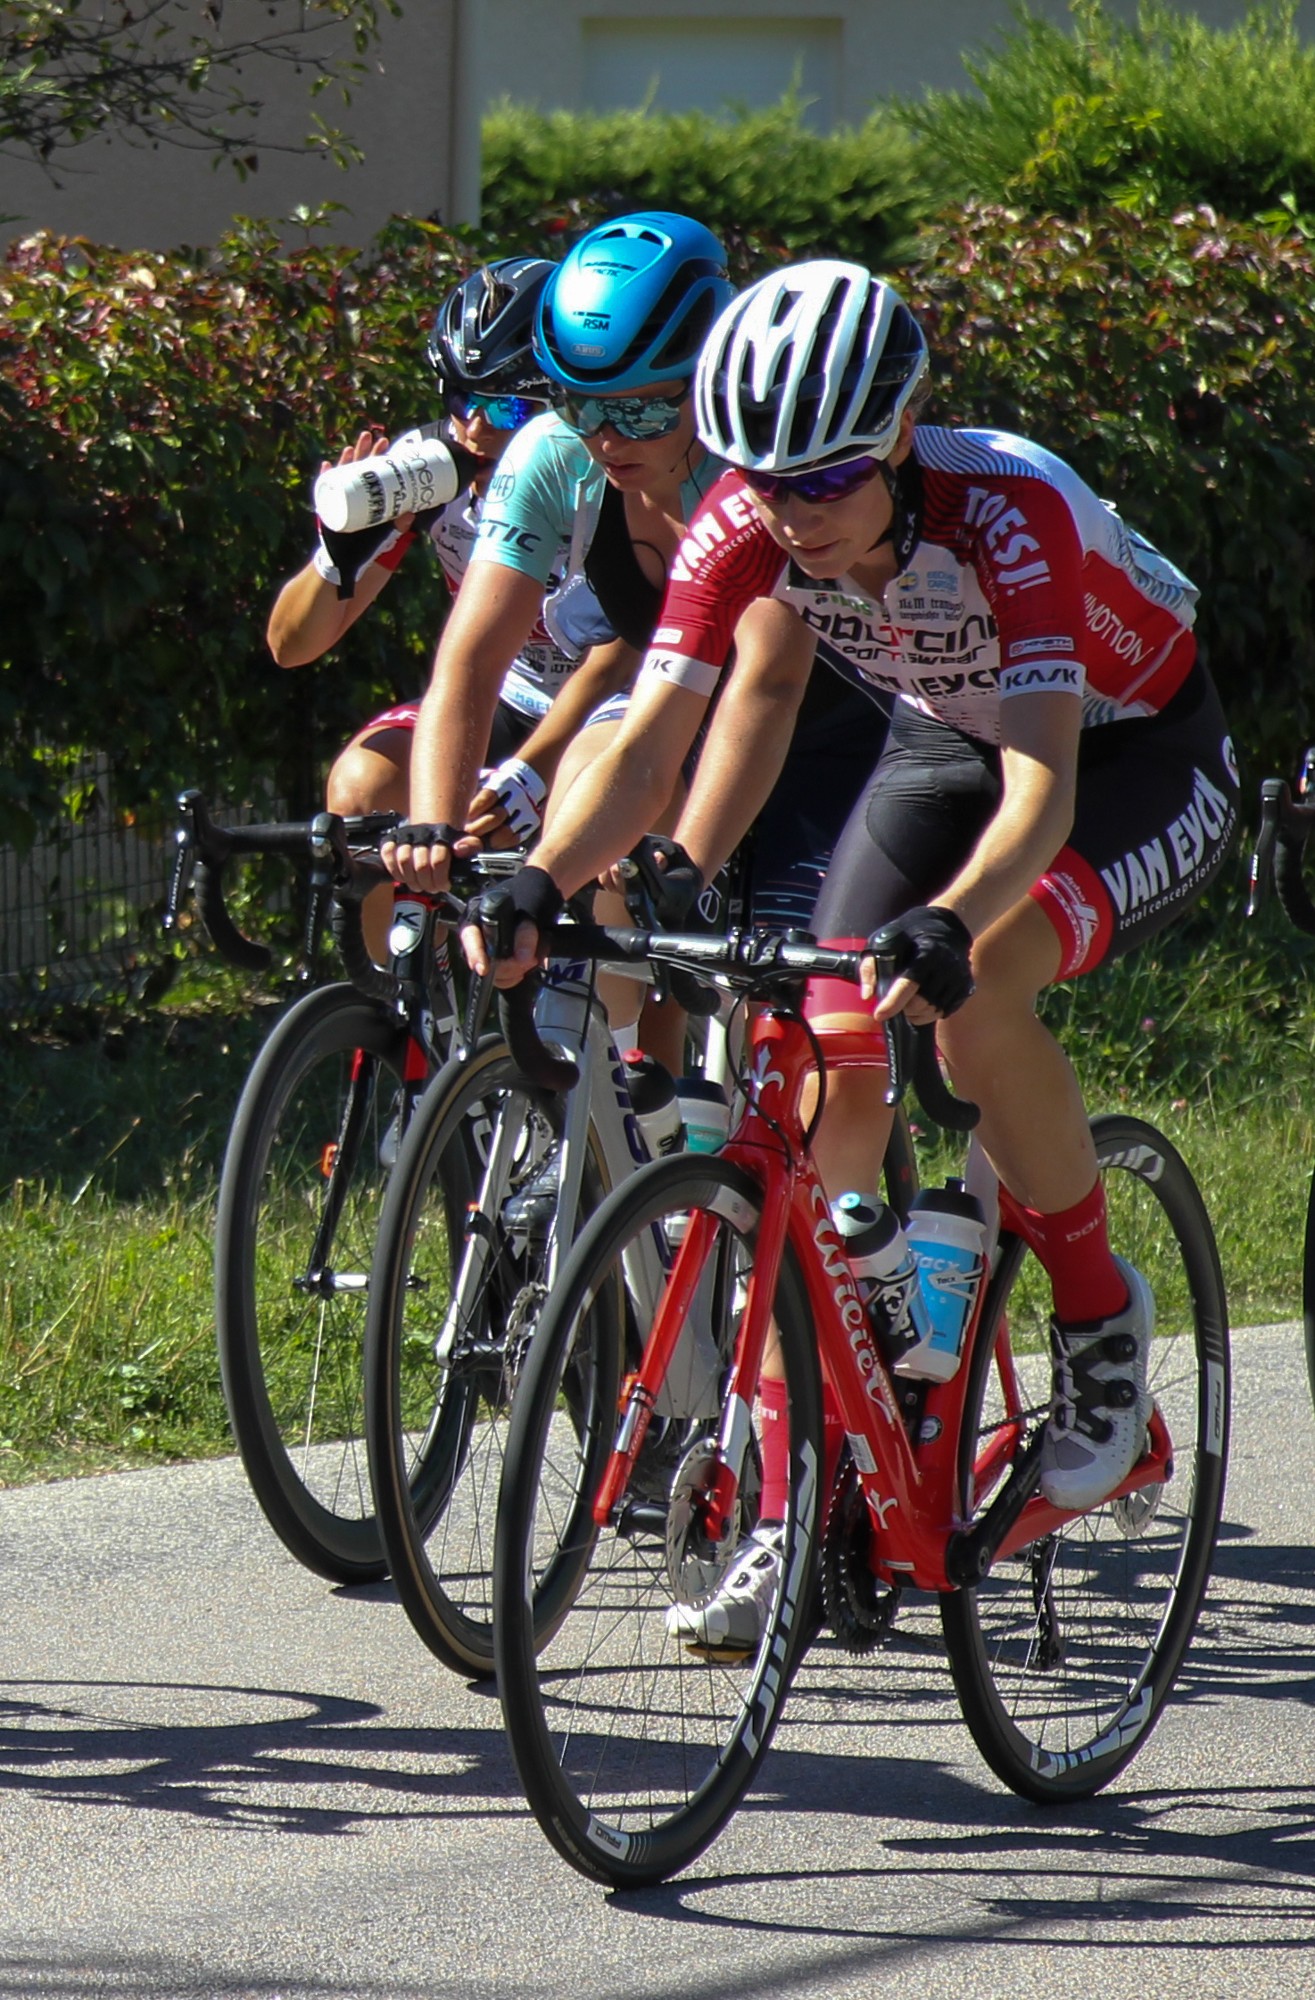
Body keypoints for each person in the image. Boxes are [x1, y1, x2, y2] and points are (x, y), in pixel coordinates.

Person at [466, 257, 1240, 1646]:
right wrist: (542, 876)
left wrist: (950, 923)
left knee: (971, 996)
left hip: (1128, 755)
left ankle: (1099, 1343)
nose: (788, 516)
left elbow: (1042, 795)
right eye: (762, 484)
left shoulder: (1009, 507)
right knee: (811, 1046)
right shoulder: (745, 520)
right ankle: (799, 1482)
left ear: (894, 440)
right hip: (940, 740)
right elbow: (647, 740)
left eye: (823, 483)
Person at [380, 210, 741, 1065]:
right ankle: (611, 1100)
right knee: (594, 797)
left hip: (792, 711)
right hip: (668, 708)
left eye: (642, 413)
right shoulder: (551, 450)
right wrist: (433, 827)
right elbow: (469, 661)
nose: (607, 439)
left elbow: (765, 689)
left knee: (823, 1074)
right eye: (581, 403)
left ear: (700, 382)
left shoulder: (744, 466)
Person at [266, 255, 631, 957]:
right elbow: (292, 646)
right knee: (363, 783)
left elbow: (634, 644)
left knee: (597, 810)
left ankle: (627, 1049)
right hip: (514, 694)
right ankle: (406, 1018)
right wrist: (335, 558)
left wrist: (540, 766)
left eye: (504, 407)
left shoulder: (607, 468)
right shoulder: (428, 464)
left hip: (619, 697)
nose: (472, 428)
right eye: (456, 397)